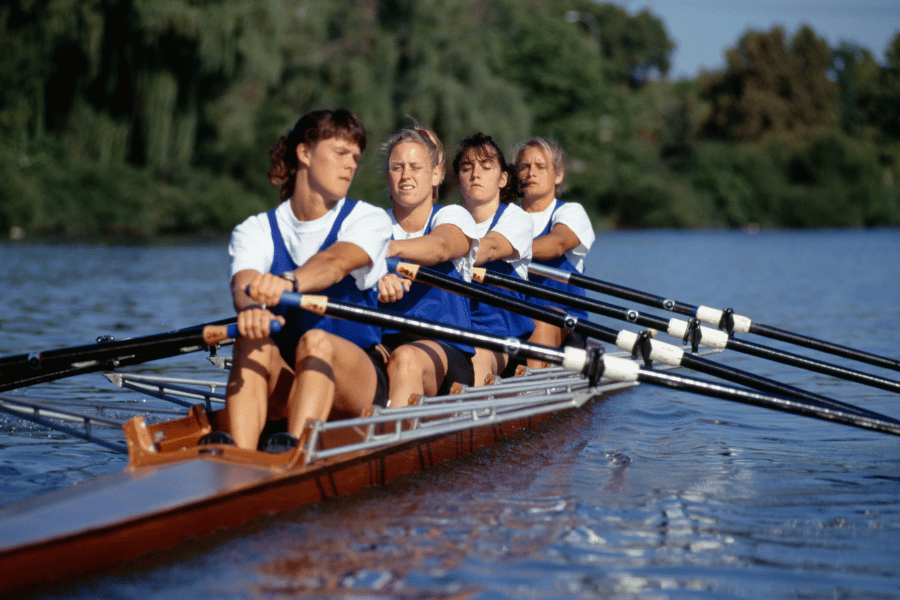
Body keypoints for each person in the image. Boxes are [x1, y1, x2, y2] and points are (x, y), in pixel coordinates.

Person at [218, 108, 392, 452]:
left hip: (356, 380)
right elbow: (244, 284)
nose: (351, 165)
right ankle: (237, 460)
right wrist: (252, 308)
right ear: (305, 153)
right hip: (290, 376)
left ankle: (293, 455)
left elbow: (334, 263)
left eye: (356, 157)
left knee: (316, 341)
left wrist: (287, 283)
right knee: (250, 341)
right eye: (341, 153)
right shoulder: (255, 229)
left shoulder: (367, 219)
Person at [378, 123, 479, 407]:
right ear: (388, 177)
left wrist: (388, 252)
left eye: (415, 167)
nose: (406, 175)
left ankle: (391, 445)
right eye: (397, 167)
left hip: (446, 353)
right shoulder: (370, 225)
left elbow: (441, 247)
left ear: (436, 174)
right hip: (382, 343)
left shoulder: (452, 216)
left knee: (406, 358)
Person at [452, 133, 535, 384]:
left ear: (502, 179)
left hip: (502, 341)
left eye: (486, 167)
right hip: (454, 333)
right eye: (467, 168)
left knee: (475, 359)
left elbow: (489, 249)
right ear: (458, 180)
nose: (475, 174)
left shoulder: (516, 218)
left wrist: (439, 252)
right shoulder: (446, 220)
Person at [514, 137, 595, 365]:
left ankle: (530, 390)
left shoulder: (571, 212)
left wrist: (502, 250)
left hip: (566, 328)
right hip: (513, 320)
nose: (531, 173)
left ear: (557, 175)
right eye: (524, 167)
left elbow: (557, 243)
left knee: (541, 320)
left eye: (540, 167)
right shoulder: (506, 217)